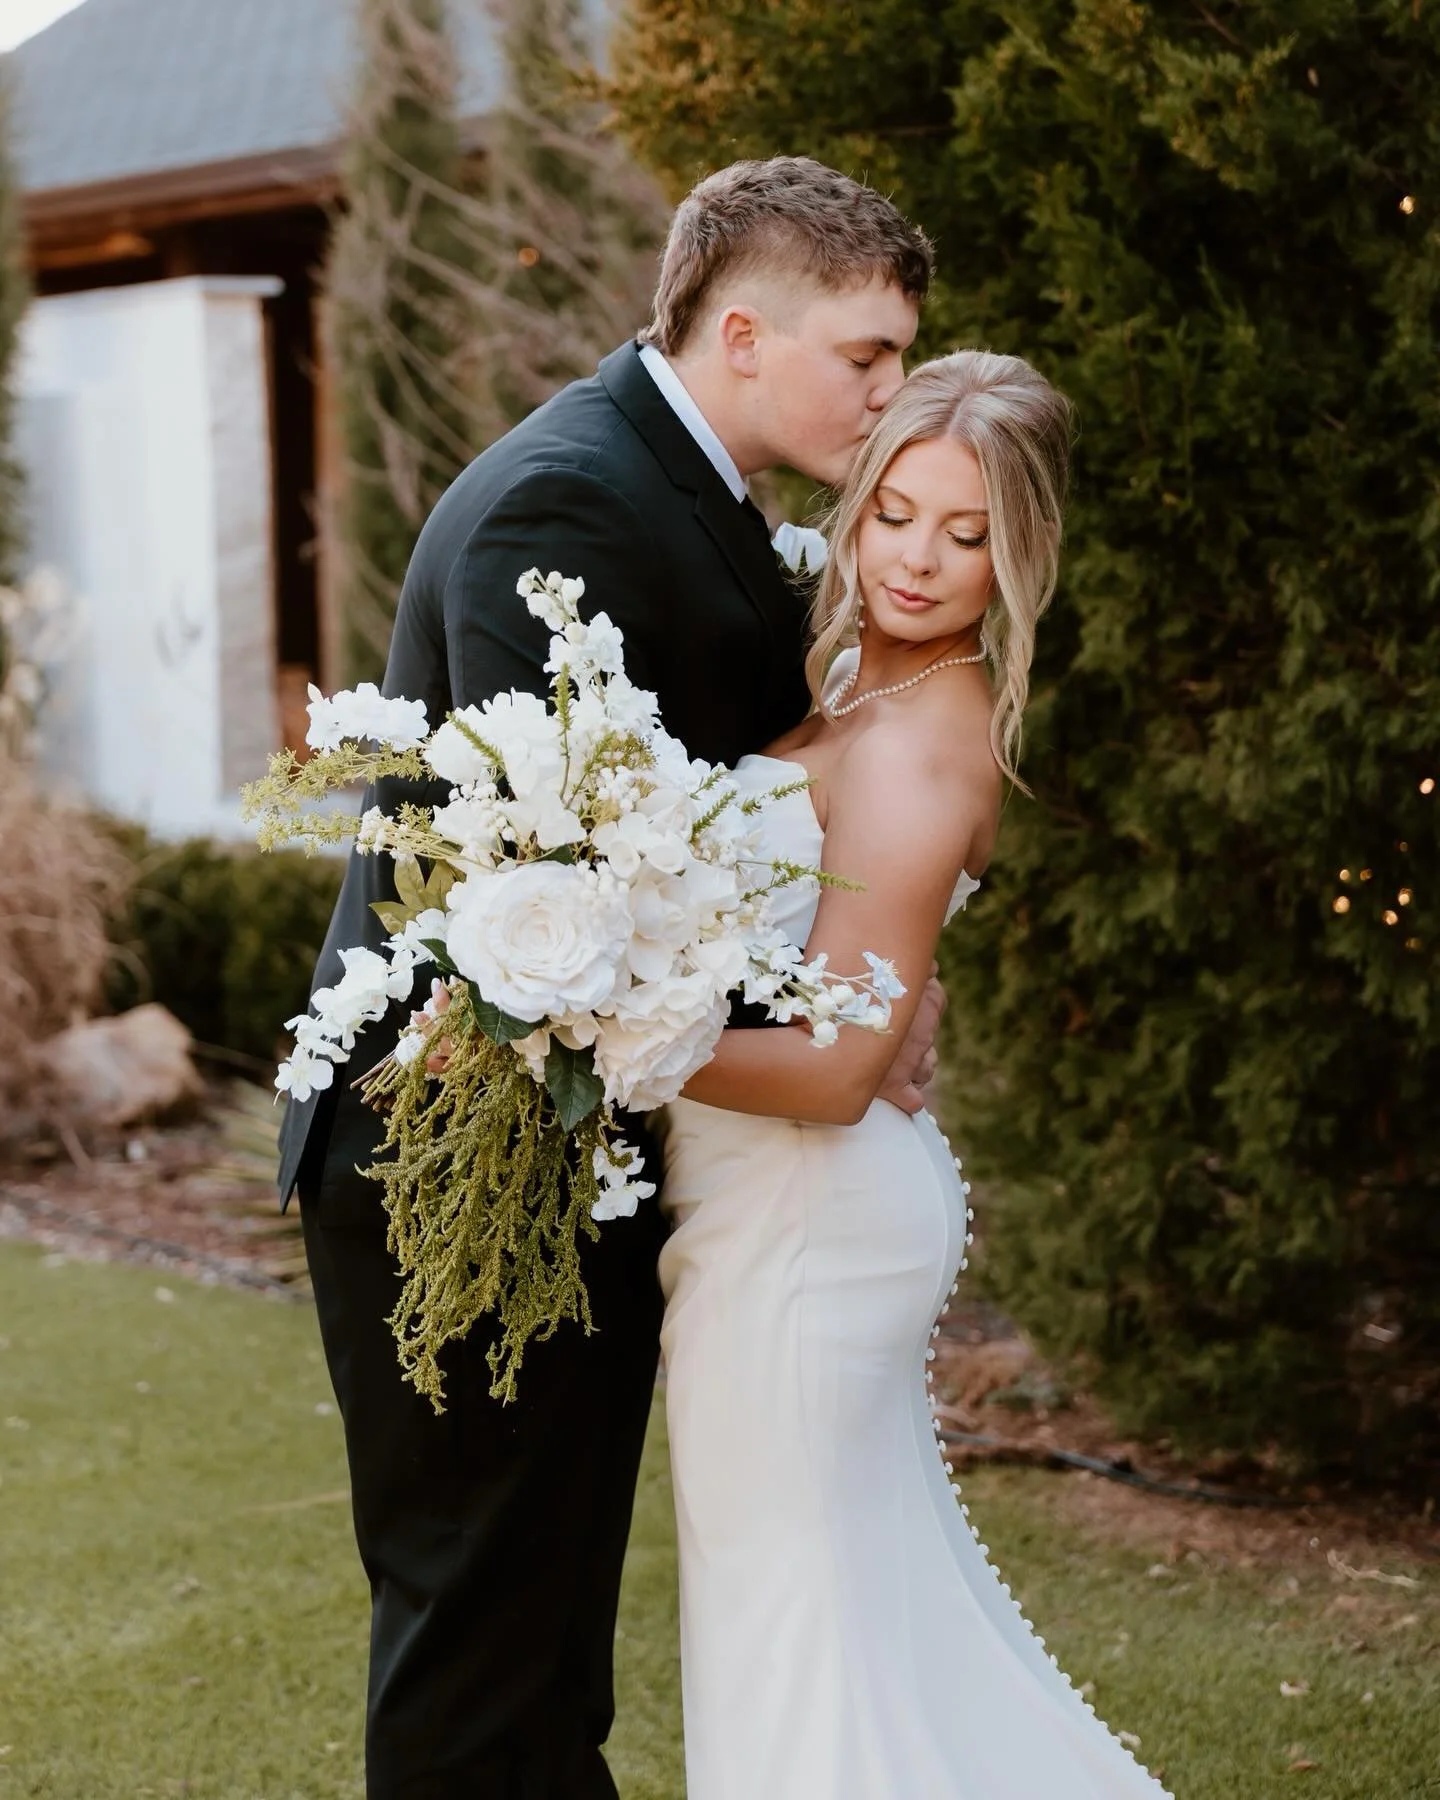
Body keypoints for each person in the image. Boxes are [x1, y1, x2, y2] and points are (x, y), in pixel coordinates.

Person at [278, 157, 943, 1798]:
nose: (890, 387)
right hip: (459, 1162)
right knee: (482, 1656)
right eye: (866, 354)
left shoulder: (699, 498)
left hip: (580, 1149)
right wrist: (823, 1029)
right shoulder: (566, 506)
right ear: (740, 331)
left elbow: (704, 835)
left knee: (543, 1646)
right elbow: (548, 900)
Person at [659, 350, 1175, 1798]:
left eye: (969, 538)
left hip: (809, 1222)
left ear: (1015, 561)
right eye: (898, 513)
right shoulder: (851, 680)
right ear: (861, 494)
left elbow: (834, 1069)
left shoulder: (919, 743)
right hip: (776, 1211)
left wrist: (596, 1039)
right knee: (834, 1633)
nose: (918, 562)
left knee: (797, 1641)